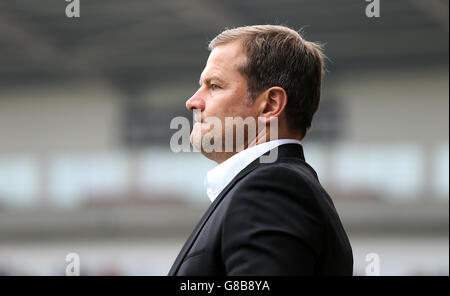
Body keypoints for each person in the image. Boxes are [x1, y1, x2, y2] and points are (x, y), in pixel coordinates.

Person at [168, 25, 353, 276]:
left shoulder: (271, 189)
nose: (193, 102)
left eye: (214, 86)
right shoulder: (274, 187)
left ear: (270, 105)